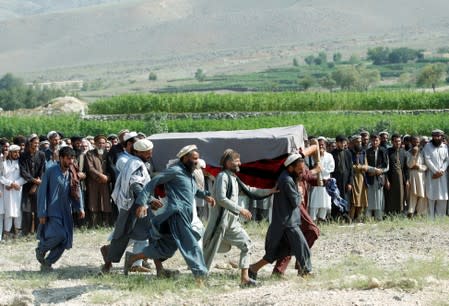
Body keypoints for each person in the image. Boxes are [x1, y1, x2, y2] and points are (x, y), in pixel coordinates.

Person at [123, 145, 215, 284]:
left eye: (197, 158)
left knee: (166, 249)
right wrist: (142, 203)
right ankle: (200, 278)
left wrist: (205, 196)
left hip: (186, 215)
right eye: (194, 159)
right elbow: (151, 183)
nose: (197, 161)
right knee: (192, 245)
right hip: (177, 215)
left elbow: (193, 189)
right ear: (185, 158)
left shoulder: (188, 173)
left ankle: (133, 259)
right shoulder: (175, 171)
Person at [202, 149, 277, 287]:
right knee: (208, 252)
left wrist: (270, 191)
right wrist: (240, 209)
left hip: (232, 223)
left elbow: (250, 190)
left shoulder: (234, 177)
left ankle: (245, 278)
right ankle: (199, 280)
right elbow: (221, 198)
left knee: (246, 245)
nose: (240, 163)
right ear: (228, 162)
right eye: (237, 160)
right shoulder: (222, 177)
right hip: (220, 222)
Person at [249, 153, 313, 280]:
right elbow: (295, 202)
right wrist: (299, 193)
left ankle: (253, 268)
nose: (301, 172)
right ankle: (306, 272)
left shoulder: (287, 177)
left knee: (277, 252)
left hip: (285, 222)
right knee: (302, 247)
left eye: (303, 169)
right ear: (290, 168)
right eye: (299, 170)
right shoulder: (287, 180)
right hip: (287, 223)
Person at [100, 139, 156, 274]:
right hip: (134, 206)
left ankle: (136, 263)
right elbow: (136, 185)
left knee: (145, 234)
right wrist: (149, 199)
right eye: (147, 153)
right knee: (122, 236)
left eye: (150, 152)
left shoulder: (134, 162)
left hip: (140, 205)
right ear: (138, 152)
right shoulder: (136, 164)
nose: (150, 155)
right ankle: (107, 263)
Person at [35, 147, 85, 271]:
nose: (71, 162)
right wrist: (42, 212)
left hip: (66, 212)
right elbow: (42, 192)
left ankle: (48, 263)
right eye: (68, 159)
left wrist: (80, 208)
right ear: (61, 158)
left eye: (72, 159)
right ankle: (41, 249)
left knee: (65, 239)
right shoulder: (51, 171)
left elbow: (77, 192)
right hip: (52, 211)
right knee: (60, 235)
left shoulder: (71, 174)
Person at [85, 134, 114, 227]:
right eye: (99, 143)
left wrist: (108, 177)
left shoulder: (108, 154)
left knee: (105, 202)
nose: (101, 145)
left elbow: (112, 168)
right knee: (93, 202)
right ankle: (94, 224)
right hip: (94, 182)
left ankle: (105, 224)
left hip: (105, 182)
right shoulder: (89, 154)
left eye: (103, 143)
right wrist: (101, 176)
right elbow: (90, 168)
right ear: (95, 143)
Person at [19, 134, 46, 236]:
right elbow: (23, 172)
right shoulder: (23, 155)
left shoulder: (41, 155)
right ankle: (26, 232)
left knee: (38, 209)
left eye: (38, 143)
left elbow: (42, 170)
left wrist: (36, 184)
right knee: (27, 209)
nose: (37, 145)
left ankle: (38, 232)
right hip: (26, 185)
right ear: (29, 143)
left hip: (38, 185)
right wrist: (33, 181)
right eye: (35, 143)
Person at [0, 145, 26, 239]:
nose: (17, 154)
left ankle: (17, 233)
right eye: (15, 152)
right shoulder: (4, 163)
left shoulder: (21, 162)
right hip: (7, 190)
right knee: (8, 211)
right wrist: (10, 184)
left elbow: (25, 176)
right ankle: (6, 234)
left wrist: (16, 184)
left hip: (18, 189)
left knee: (18, 210)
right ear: (10, 153)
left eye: (18, 152)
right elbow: (1, 176)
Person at [308, 137, 334, 222]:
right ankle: (313, 219)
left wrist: (320, 170)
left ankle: (322, 219)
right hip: (315, 183)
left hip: (325, 183)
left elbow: (331, 168)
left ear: (325, 145)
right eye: (319, 145)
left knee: (324, 203)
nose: (321, 146)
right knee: (314, 203)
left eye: (323, 144)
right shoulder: (311, 156)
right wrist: (317, 171)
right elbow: (309, 168)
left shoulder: (329, 156)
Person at [423, 129, 448, 218]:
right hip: (432, 175)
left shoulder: (445, 147)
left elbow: (447, 160)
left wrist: (441, 170)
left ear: (442, 137)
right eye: (435, 136)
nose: (437, 138)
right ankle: (430, 218)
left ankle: (440, 218)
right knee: (431, 195)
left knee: (442, 196)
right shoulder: (427, 146)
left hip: (442, 175)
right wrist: (435, 171)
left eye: (439, 136)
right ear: (432, 136)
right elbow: (427, 159)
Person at [365, 134, 389, 221]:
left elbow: (387, 166)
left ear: (379, 141)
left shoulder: (383, 151)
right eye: (373, 140)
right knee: (369, 196)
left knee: (379, 197)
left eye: (377, 140)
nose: (375, 142)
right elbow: (365, 165)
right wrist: (373, 170)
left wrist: (380, 171)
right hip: (370, 177)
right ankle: (368, 217)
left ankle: (378, 217)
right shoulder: (367, 151)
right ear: (371, 141)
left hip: (379, 177)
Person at [384, 134, 409, 216]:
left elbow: (406, 168)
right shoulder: (388, 152)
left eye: (399, 141)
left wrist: (407, 180)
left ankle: (400, 213)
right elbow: (385, 168)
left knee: (401, 195)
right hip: (391, 178)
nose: (397, 143)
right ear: (392, 142)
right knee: (390, 196)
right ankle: (390, 214)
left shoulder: (404, 152)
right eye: (395, 141)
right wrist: (386, 180)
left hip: (401, 179)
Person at [406, 136, 427, 217]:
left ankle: (419, 212)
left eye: (417, 142)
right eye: (414, 142)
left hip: (421, 175)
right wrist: (414, 154)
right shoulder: (408, 153)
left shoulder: (423, 153)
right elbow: (409, 165)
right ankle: (411, 212)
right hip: (412, 176)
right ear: (411, 142)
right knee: (412, 194)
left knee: (422, 194)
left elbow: (426, 166)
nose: (416, 144)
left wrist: (419, 167)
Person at [349, 135, 368, 222]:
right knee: (354, 200)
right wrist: (360, 167)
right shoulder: (349, 153)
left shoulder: (363, 152)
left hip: (362, 178)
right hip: (353, 178)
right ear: (353, 143)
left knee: (362, 198)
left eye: (360, 142)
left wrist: (363, 167)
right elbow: (351, 166)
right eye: (357, 142)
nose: (359, 143)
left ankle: (358, 218)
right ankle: (351, 218)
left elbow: (366, 165)